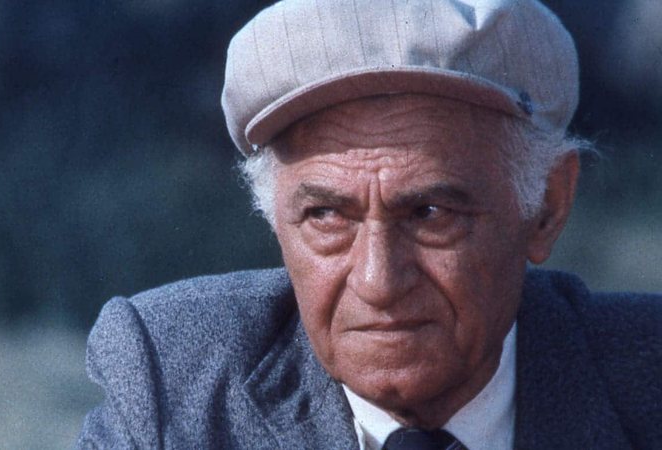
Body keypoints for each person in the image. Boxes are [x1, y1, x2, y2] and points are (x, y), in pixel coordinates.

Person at [77, 0, 661, 448]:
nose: (378, 282)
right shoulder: (170, 389)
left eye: (430, 214)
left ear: (547, 207)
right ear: (276, 218)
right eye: (327, 215)